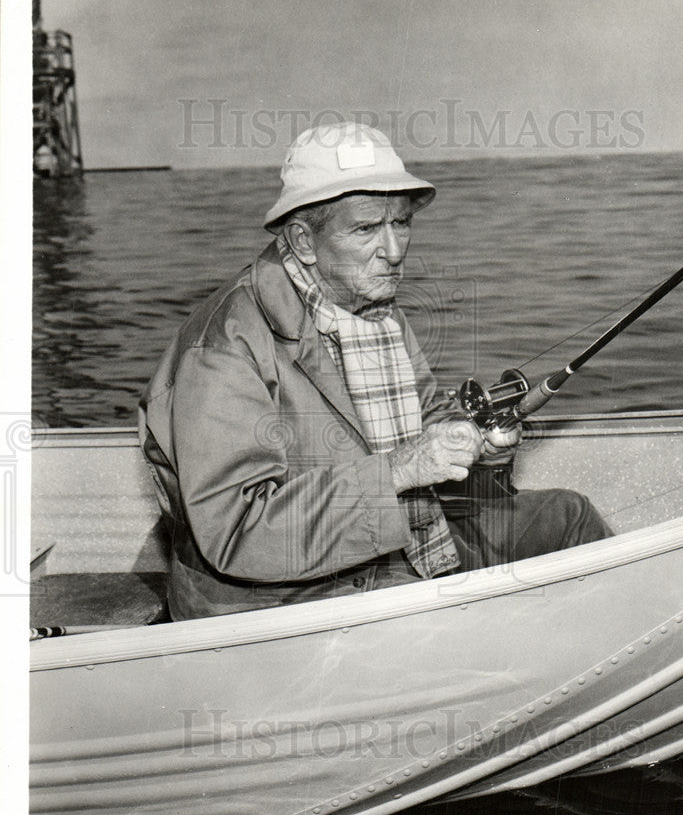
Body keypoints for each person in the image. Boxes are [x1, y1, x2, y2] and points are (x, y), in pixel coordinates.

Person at [139, 122, 611, 620]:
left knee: (568, 518)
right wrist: (404, 468)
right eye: (366, 228)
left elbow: (431, 424)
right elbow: (240, 531)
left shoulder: (375, 310)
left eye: (401, 223)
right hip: (279, 598)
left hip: (402, 537)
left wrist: (477, 446)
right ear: (302, 240)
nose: (394, 250)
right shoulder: (222, 350)